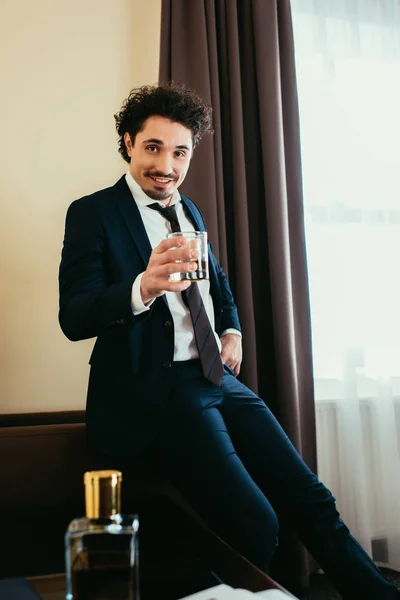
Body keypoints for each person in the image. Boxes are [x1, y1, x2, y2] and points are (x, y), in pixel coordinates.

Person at [59, 82, 399, 600]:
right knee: (258, 524)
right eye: (153, 147)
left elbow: (217, 286)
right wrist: (142, 287)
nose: (166, 165)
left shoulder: (189, 210)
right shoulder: (93, 213)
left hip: (216, 378)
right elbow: (75, 316)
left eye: (180, 152)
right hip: (161, 393)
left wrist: (232, 329)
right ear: (128, 142)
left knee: (310, 498)